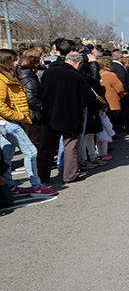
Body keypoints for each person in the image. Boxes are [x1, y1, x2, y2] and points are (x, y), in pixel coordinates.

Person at [0, 49, 56, 196]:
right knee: (31, 151)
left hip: (8, 121)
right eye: (13, 60)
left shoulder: (8, 76)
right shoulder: (2, 80)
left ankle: (11, 187)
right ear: (5, 62)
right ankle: (37, 185)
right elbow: (0, 105)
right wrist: (18, 115)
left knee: (7, 153)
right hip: (8, 121)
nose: (16, 62)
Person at [37, 39, 93, 184]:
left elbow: (41, 92)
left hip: (49, 114)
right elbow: (86, 100)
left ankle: (41, 176)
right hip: (71, 116)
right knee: (70, 146)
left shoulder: (50, 72)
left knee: (46, 148)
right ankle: (70, 175)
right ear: (79, 63)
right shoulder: (79, 77)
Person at [16, 49, 43, 149]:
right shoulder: (29, 79)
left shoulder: (25, 75)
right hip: (32, 115)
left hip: (29, 114)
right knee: (35, 145)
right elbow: (31, 100)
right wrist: (43, 107)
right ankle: (37, 164)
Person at [111, 50, 129, 132]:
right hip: (123, 92)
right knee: (127, 111)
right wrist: (125, 90)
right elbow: (122, 80)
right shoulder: (118, 67)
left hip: (122, 92)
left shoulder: (115, 66)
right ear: (120, 58)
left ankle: (126, 126)